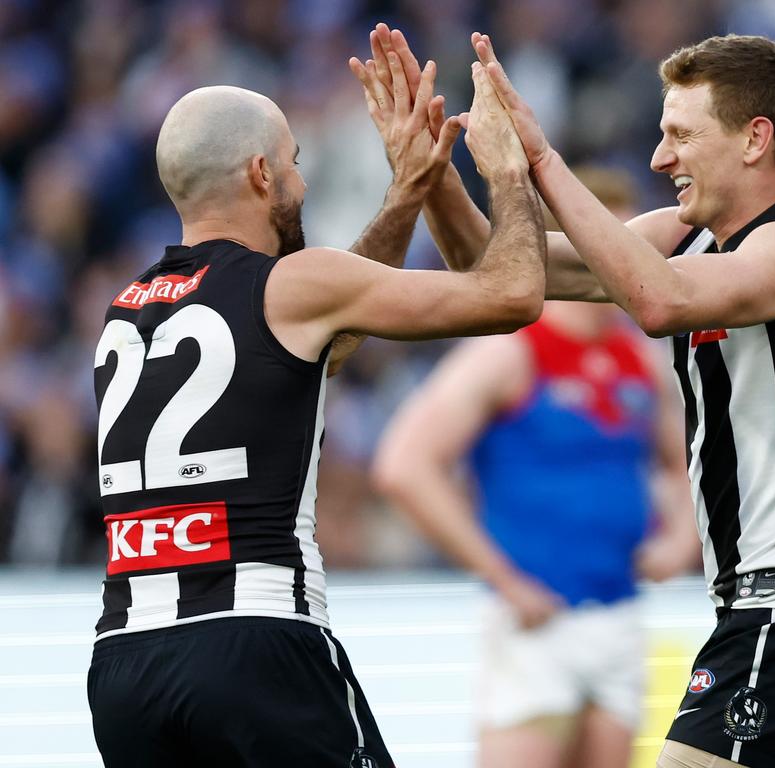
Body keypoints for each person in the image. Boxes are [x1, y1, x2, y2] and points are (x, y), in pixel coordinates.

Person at [353, 24, 775, 768]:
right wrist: (431, 172)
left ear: (755, 139)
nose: (661, 158)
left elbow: (660, 303)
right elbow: (493, 267)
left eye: (681, 136)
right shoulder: (683, 239)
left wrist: (537, 159)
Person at [87, 49, 547, 768]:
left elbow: (319, 346)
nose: (302, 181)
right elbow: (516, 293)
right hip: (259, 644)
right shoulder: (291, 285)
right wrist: (509, 171)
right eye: (295, 162)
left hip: (122, 668)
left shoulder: (125, 312)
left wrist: (405, 197)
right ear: (261, 174)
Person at [373, 167, 699, 768]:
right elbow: (405, 464)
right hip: (537, 623)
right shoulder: (509, 352)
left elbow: (685, 464)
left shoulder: (639, 359)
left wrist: (680, 540)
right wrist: (502, 578)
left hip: (620, 614)